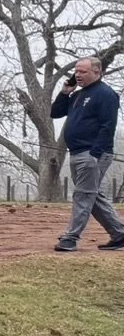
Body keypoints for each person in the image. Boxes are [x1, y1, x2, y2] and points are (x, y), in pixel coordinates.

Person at [52, 55, 124, 252]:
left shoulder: (106, 94)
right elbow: (55, 113)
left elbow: (108, 126)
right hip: (76, 152)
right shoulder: (77, 95)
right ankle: (120, 234)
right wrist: (64, 93)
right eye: (76, 71)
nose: (78, 75)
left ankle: (70, 238)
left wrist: (95, 153)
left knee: (82, 195)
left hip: (93, 154)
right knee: (93, 196)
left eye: (82, 71)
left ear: (97, 72)